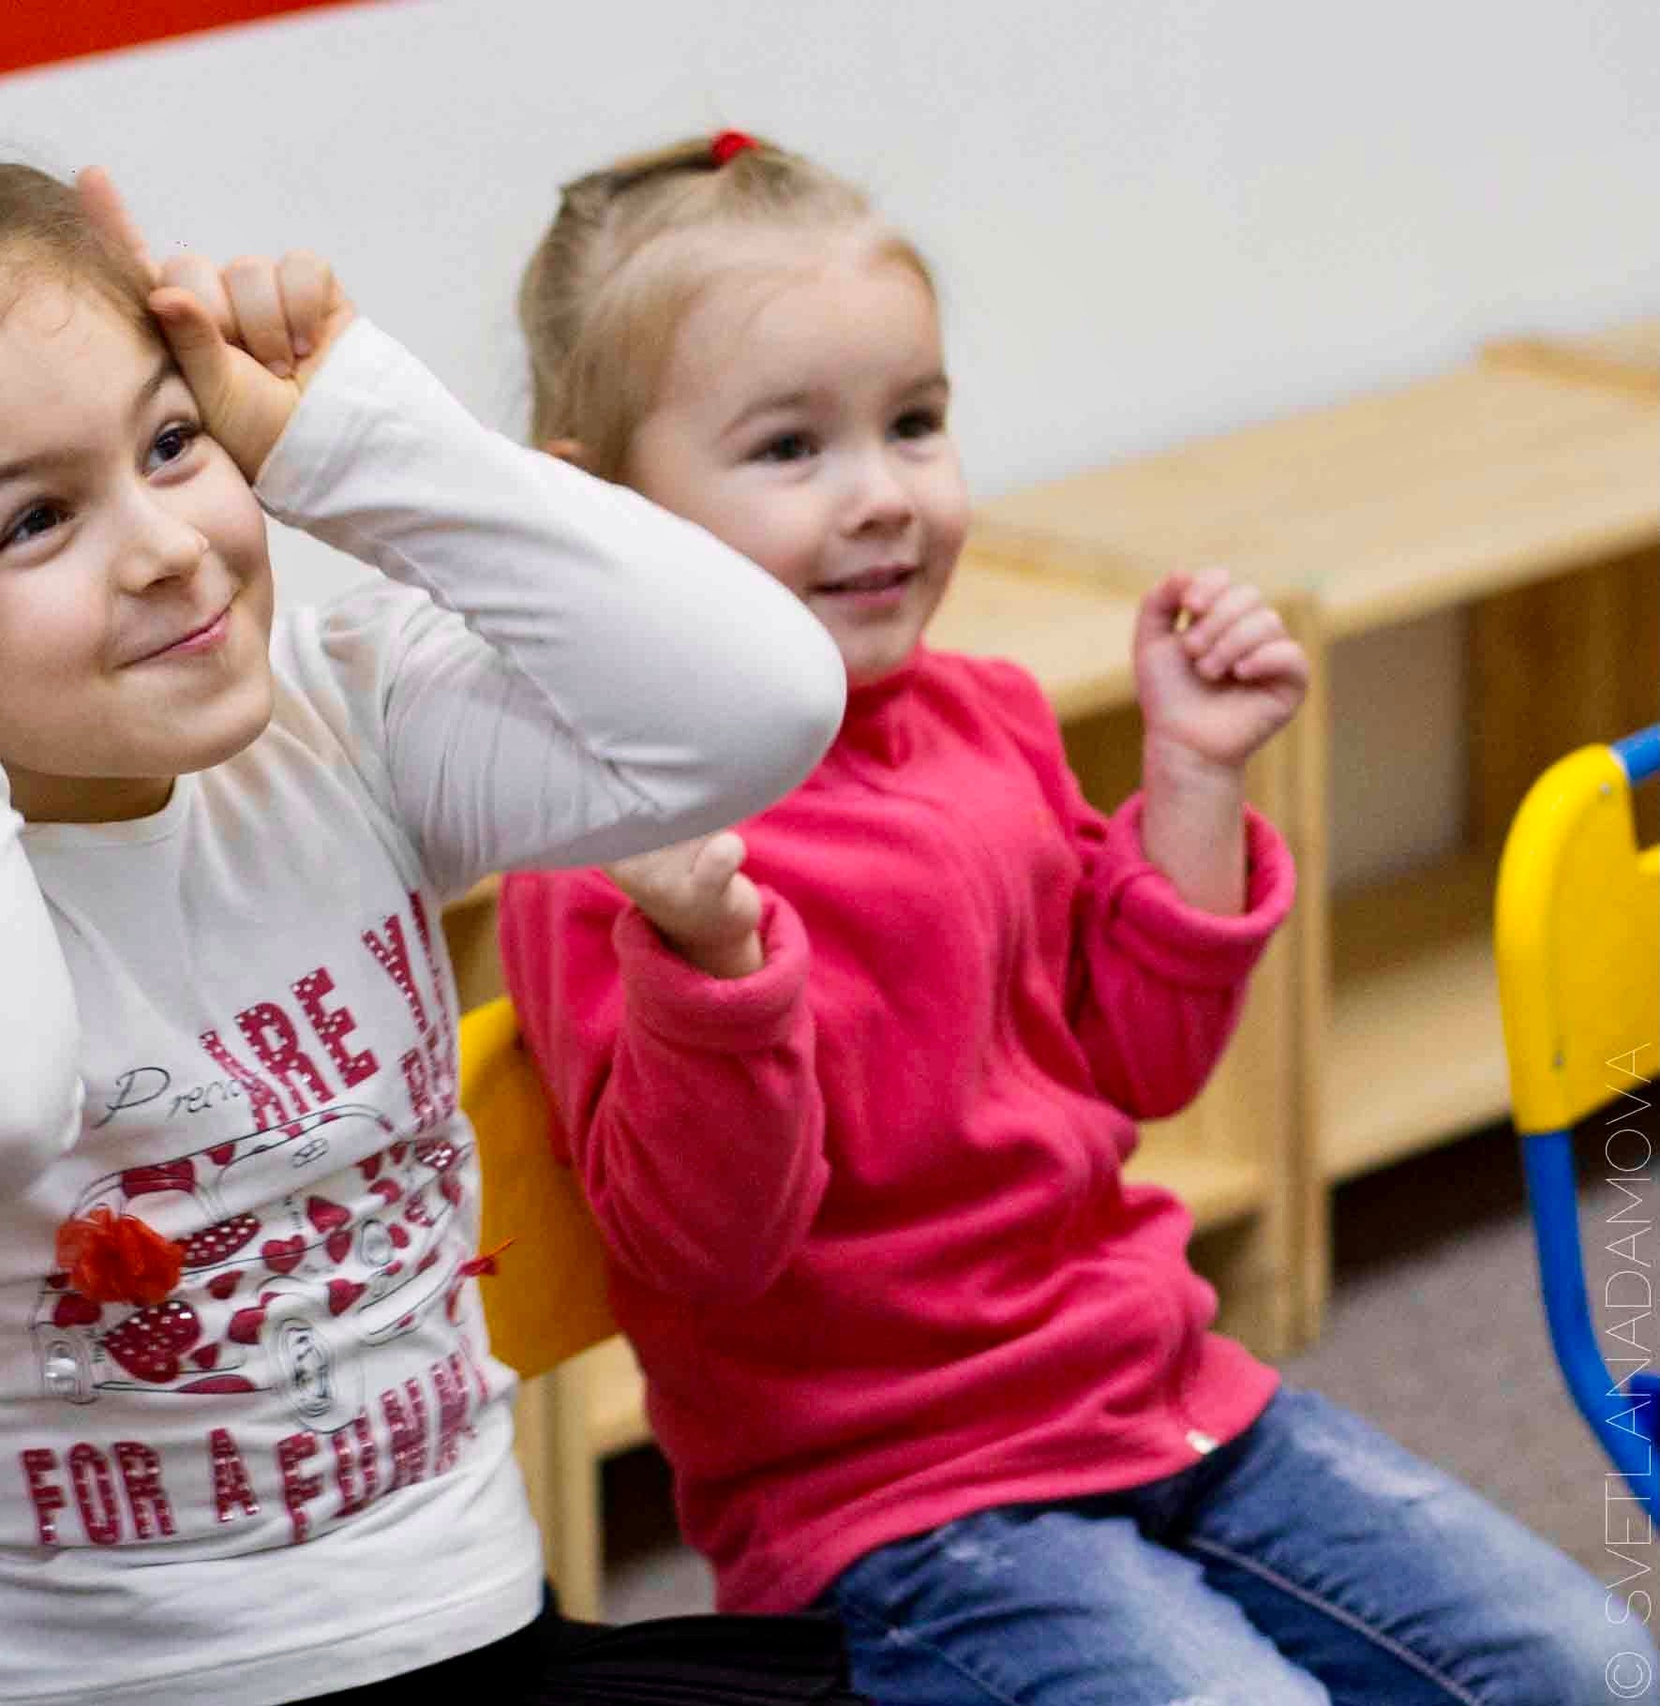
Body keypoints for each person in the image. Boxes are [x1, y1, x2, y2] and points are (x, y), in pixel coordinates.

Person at [0, 153, 868, 1703]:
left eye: (173, 440)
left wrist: (363, 437)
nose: (163, 545)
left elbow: (756, 708)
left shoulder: (335, 717)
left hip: (480, 1633)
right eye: (32, 522)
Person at [497, 128, 1657, 1704]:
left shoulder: (983, 717)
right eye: (791, 448)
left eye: (916, 424)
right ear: (596, 515)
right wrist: (709, 960)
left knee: (1588, 1662)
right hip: (898, 1509)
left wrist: (1188, 774)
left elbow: (1138, 1061)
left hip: (1164, 1394)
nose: (884, 496)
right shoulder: (616, 843)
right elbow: (707, 1248)